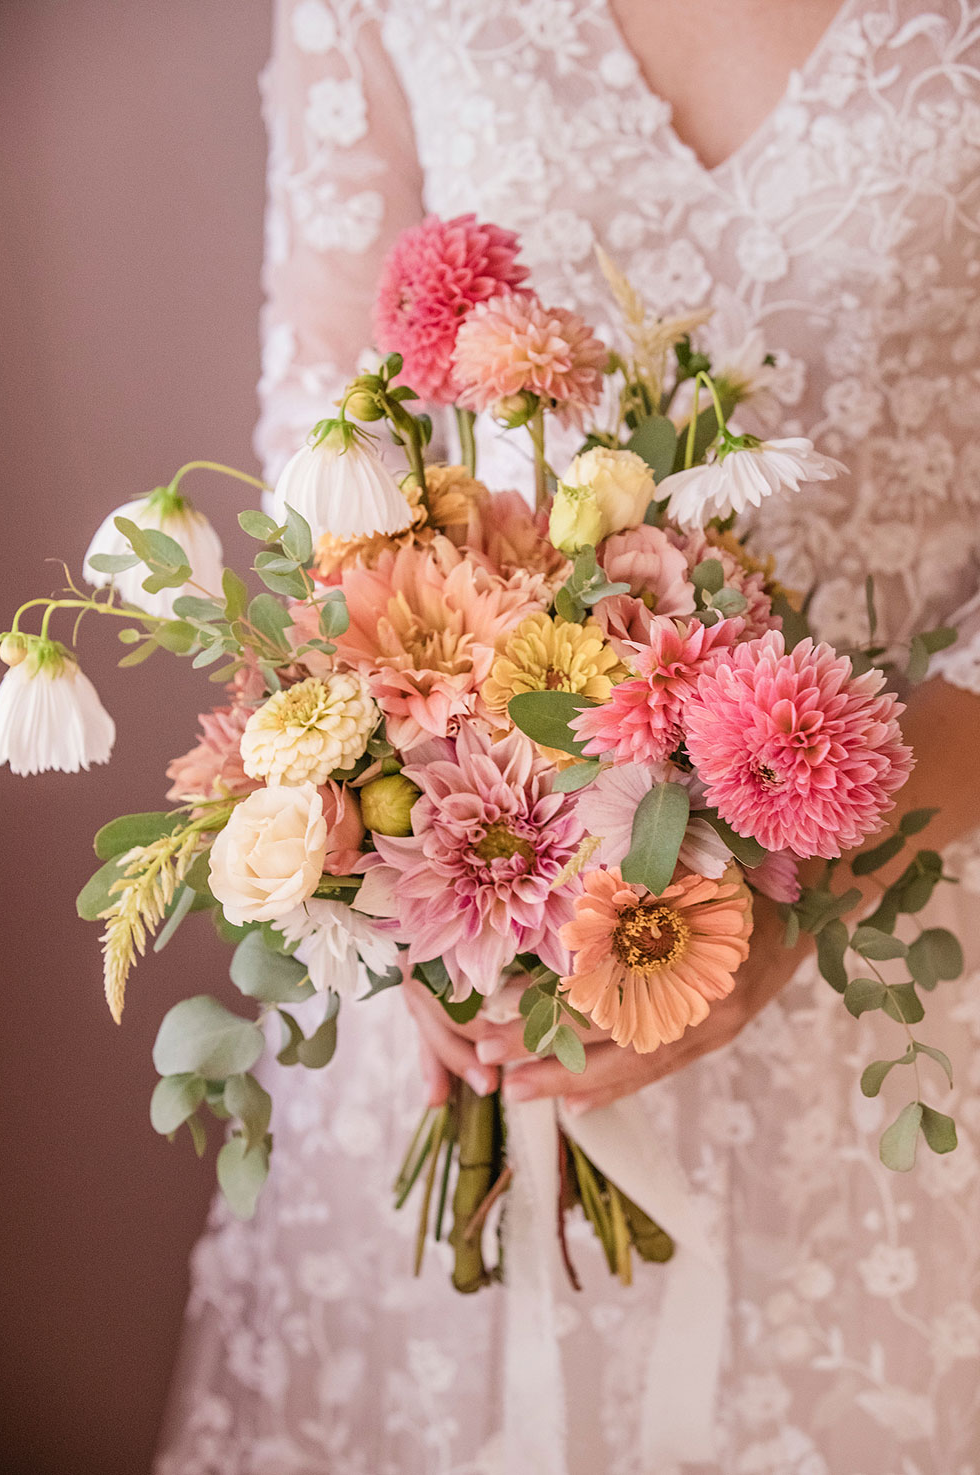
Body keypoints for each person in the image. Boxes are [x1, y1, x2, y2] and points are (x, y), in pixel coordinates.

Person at [157, 1, 980, 1469]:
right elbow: (324, 447)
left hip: (903, 930)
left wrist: (805, 896)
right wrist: (395, 881)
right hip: (469, 892)